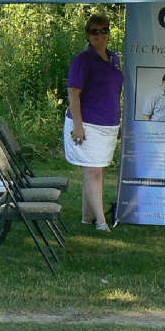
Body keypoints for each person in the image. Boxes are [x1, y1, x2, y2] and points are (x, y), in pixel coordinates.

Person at [65, 13, 124, 231]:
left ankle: (86, 217)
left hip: (108, 124)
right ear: (87, 36)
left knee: (97, 170)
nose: (100, 35)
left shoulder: (114, 59)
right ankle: (101, 221)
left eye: (104, 30)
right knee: (93, 172)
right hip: (88, 124)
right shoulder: (82, 60)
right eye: (94, 31)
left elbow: (115, 91)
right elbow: (73, 93)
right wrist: (78, 126)